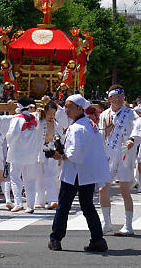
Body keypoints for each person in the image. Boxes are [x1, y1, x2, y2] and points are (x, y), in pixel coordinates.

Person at [48, 94, 110, 253]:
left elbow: (75, 154)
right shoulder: (89, 124)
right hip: (87, 173)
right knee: (88, 206)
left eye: (69, 106)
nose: (66, 109)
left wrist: (61, 155)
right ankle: (98, 239)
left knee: (63, 206)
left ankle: (56, 239)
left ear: (79, 108)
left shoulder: (77, 128)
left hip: (74, 173)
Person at [98, 85, 136, 236]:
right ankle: (107, 222)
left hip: (123, 154)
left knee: (124, 190)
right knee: (102, 188)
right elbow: (101, 136)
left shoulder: (130, 114)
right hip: (108, 154)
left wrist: (132, 139)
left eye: (122, 96)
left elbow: (136, 129)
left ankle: (128, 225)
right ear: (110, 98)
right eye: (116, 96)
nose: (120, 99)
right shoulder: (104, 115)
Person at [5, 95, 40, 213]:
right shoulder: (35, 119)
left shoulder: (16, 119)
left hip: (18, 152)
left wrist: (10, 145)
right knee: (30, 179)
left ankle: (19, 202)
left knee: (15, 177)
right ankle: (30, 205)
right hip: (31, 153)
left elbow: (11, 135)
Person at [35, 100, 66, 210]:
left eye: (54, 114)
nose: (52, 116)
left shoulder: (57, 125)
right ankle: (39, 201)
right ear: (45, 112)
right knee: (39, 178)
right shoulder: (39, 122)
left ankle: (53, 200)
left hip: (51, 153)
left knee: (51, 177)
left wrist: (60, 152)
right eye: (50, 113)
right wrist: (38, 115)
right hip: (39, 152)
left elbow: (60, 139)